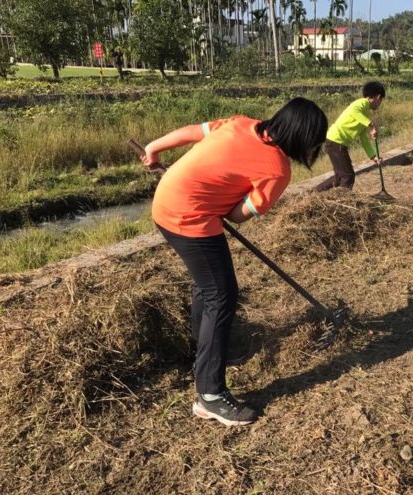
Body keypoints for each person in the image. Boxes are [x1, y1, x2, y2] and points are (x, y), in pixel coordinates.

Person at [141, 98, 328, 426]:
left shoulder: (242, 123)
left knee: (209, 286)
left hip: (166, 202)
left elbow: (190, 132)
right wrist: (222, 197)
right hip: (189, 217)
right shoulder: (277, 169)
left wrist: (153, 148)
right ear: (302, 139)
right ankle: (210, 396)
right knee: (221, 294)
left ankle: (206, 353)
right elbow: (237, 216)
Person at [315, 81, 385, 192]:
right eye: (381, 100)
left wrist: (373, 156)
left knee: (340, 176)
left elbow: (364, 140)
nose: (380, 103)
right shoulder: (361, 103)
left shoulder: (365, 113)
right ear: (378, 97)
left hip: (334, 142)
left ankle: (314, 193)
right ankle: (344, 202)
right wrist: (371, 124)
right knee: (348, 176)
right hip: (336, 141)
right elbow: (354, 112)